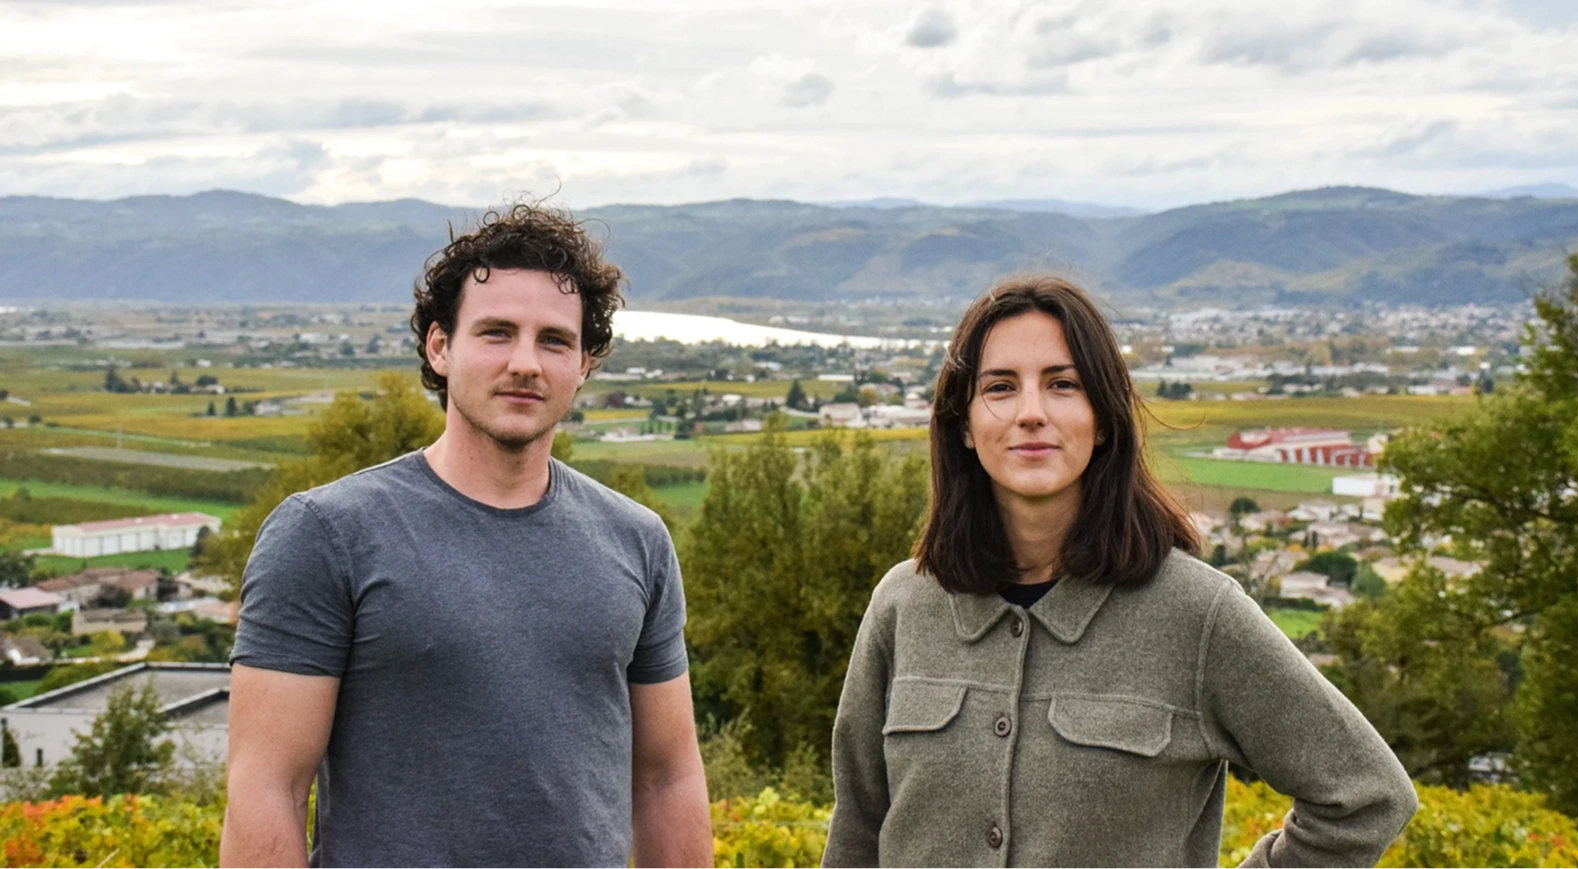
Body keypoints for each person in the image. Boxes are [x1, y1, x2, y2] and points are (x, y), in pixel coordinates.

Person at [822, 276, 1417, 868]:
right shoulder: (902, 605)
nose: (1031, 413)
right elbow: (856, 831)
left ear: (1103, 418)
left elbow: (1366, 798)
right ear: (964, 426)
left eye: (1063, 385)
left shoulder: (1196, 613)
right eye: (1000, 387)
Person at [221, 203, 713, 868]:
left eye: (554, 340)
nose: (524, 362)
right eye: (496, 332)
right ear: (439, 346)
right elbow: (266, 789)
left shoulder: (637, 541)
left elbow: (666, 779)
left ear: (584, 364)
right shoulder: (326, 534)